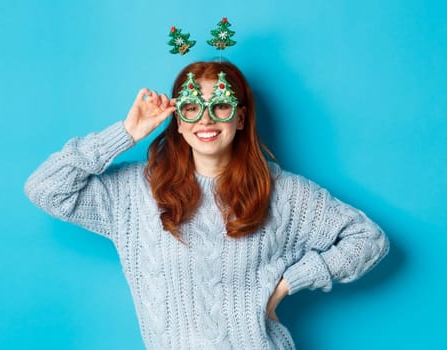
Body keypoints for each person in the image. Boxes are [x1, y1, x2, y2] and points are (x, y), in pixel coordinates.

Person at [23, 60, 389, 350]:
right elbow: (45, 188)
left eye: (221, 105)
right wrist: (126, 133)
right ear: (178, 121)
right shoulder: (134, 193)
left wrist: (290, 282)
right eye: (192, 108)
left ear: (241, 117)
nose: (207, 119)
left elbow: (368, 240)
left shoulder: (285, 193)